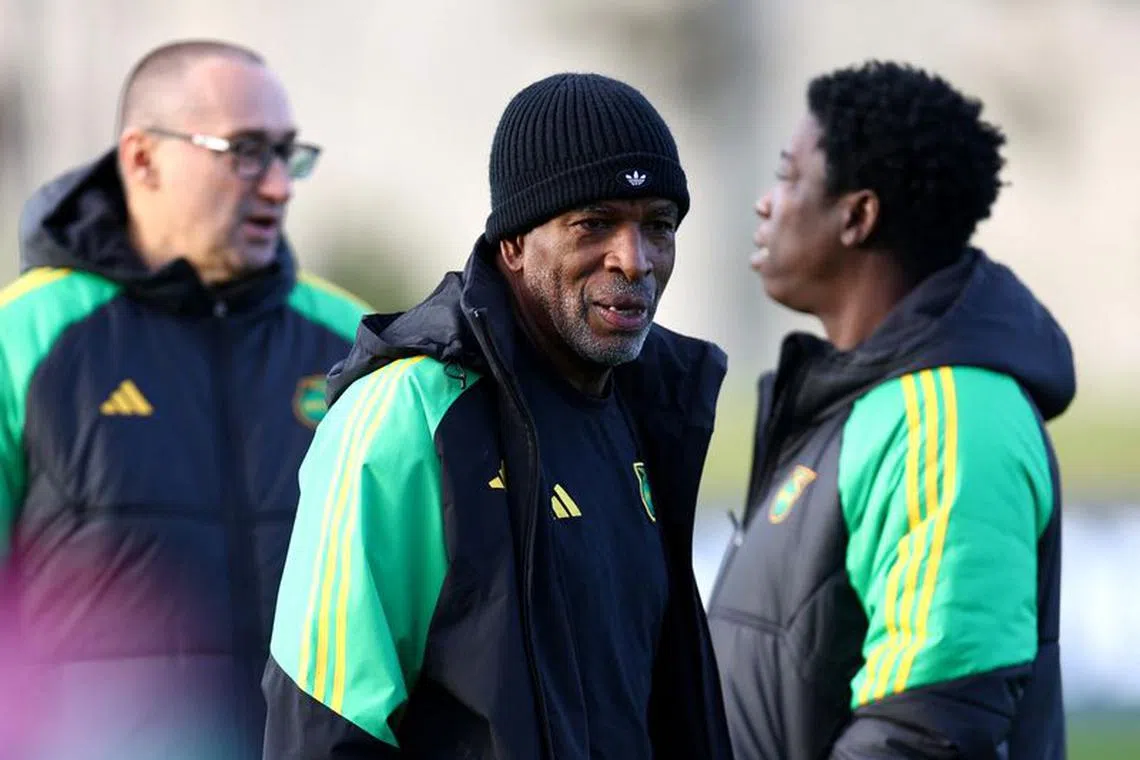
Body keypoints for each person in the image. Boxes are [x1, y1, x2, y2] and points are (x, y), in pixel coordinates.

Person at [262, 72, 733, 759]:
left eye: (658, 226)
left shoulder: (655, 407)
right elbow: (323, 726)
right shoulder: (408, 414)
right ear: (512, 243)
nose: (634, 260)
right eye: (594, 223)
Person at [0, 40, 369, 759]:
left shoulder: (354, 349)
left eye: (287, 155)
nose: (277, 187)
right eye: (243, 152)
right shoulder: (23, 338)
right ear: (142, 159)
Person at [707, 60, 1075, 759]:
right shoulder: (861, 404)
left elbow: (926, 730)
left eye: (788, 177)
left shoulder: (950, 417)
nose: (766, 203)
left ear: (857, 216)